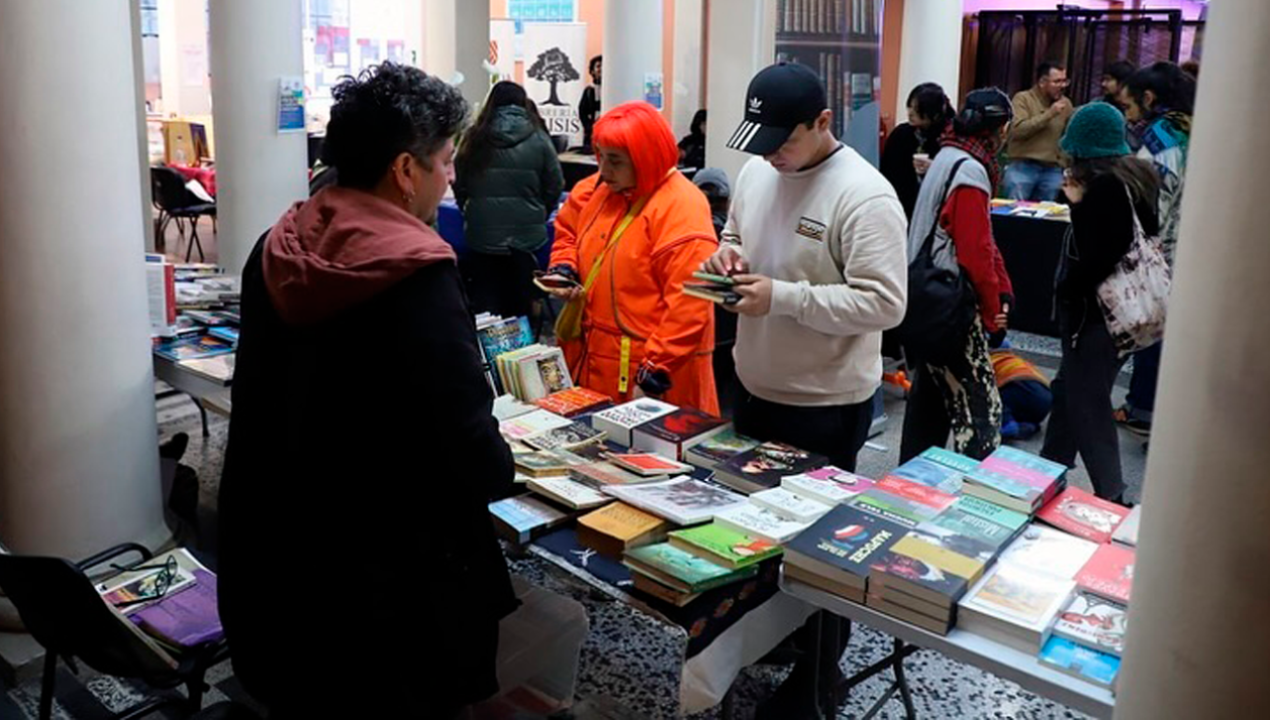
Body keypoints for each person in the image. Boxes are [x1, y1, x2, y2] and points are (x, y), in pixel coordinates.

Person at [217, 63, 517, 718]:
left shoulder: (278, 243)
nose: (452, 177)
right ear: (405, 171)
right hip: (388, 587)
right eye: (445, 160)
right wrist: (505, 467)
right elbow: (465, 438)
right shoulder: (415, 275)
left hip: (277, 557)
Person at [704, 62, 908, 719]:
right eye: (760, 141)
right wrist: (726, 255)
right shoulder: (761, 169)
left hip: (826, 404)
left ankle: (820, 675)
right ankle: (779, 640)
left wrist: (784, 298)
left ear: (823, 123)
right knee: (762, 540)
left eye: (782, 141)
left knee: (820, 555)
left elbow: (885, 303)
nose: (770, 155)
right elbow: (738, 232)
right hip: (756, 388)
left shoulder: (864, 195)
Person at [540, 101, 719, 412]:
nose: (604, 170)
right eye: (601, 156)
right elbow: (567, 229)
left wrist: (655, 368)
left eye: (616, 160)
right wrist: (566, 266)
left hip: (647, 374)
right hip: (592, 357)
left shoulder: (681, 208)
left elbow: (692, 300)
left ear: (645, 158)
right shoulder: (598, 190)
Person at [1042, 103, 1159, 502]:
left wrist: (1078, 205)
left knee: (1088, 406)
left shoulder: (1104, 188)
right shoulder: (1136, 178)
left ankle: (1113, 496)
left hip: (1096, 319)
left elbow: (1098, 254)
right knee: (1069, 391)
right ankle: (1047, 471)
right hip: (1121, 319)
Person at [899, 88, 1016, 464]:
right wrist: (990, 307)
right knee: (981, 413)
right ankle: (976, 500)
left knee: (929, 404)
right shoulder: (970, 170)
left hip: (924, 296)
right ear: (997, 130)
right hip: (950, 303)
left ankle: (907, 487)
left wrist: (1003, 290)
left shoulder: (948, 155)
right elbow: (975, 250)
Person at [1114, 61, 1196, 436]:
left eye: (1129, 107)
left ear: (1149, 98)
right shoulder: (1195, 126)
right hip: (1193, 248)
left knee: (1154, 330)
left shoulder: (1164, 134)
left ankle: (1142, 409)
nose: (1129, 116)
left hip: (1165, 252)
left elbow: (1155, 197)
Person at [453, 81, 564, 319]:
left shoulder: (473, 137)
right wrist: (539, 212)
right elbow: (555, 184)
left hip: (481, 234)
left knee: (486, 304)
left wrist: (470, 209)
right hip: (527, 237)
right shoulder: (538, 137)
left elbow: (458, 181)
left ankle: (488, 352)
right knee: (520, 303)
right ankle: (521, 353)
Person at [880, 82, 954, 219]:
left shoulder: (950, 139)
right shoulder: (901, 135)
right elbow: (887, 173)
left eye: (917, 109)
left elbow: (956, 176)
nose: (910, 113)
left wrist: (935, 168)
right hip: (900, 210)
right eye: (910, 107)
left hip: (934, 213)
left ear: (935, 114)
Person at [1004, 62, 1074, 201]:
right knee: (1016, 217)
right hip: (1023, 167)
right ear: (1042, 82)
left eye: (1064, 81)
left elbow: (1068, 136)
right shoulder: (1023, 99)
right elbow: (1017, 130)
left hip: (1052, 170)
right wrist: (1050, 114)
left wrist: (1065, 164)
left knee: (1046, 219)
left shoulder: (1066, 104)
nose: (1062, 86)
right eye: (1057, 81)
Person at [991, 342, 1052, 441]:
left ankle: (1007, 423)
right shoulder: (1012, 360)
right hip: (1046, 399)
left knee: (991, 398)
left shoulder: (987, 362)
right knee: (1013, 400)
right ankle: (1025, 425)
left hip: (1021, 388)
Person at [578, 55, 602, 152]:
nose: (602, 69)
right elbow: (582, 111)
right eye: (598, 66)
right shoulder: (589, 91)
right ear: (592, 71)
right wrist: (589, 128)